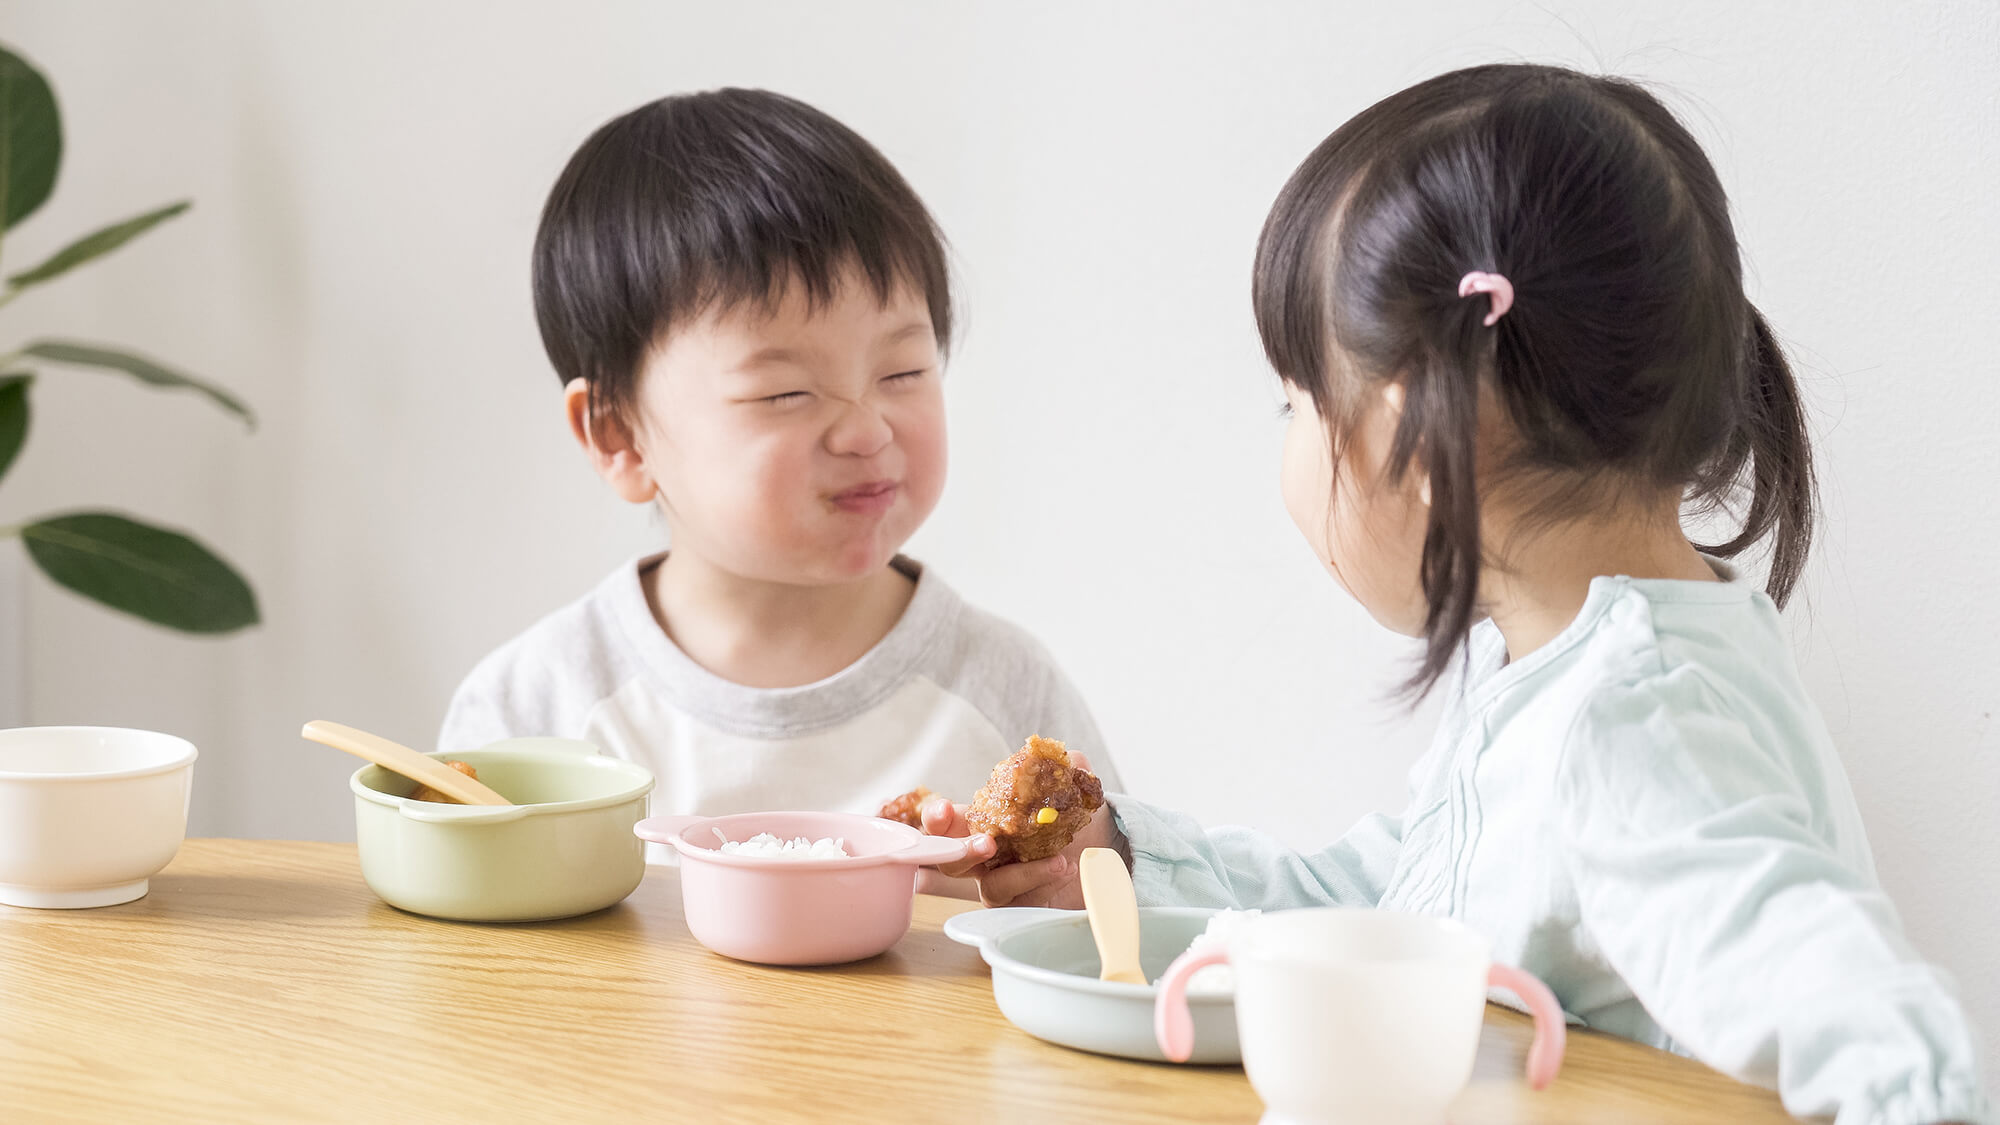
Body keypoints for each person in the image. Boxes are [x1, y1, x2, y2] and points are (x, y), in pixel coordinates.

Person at [925, 64, 1987, 1121]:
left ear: (1422, 434)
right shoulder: (1574, 663)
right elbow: (1398, 906)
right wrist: (1122, 868)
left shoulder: (1631, 727)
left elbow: (1869, 1022)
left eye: (1294, 403)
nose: (1289, 442)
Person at [441, 88, 1119, 892]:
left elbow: (1113, 943)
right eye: (784, 392)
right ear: (619, 434)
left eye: (902, 371)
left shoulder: (1007, 692)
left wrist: (1067, 894)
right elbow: (465, 970)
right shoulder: (538, 709)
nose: (866, 430)